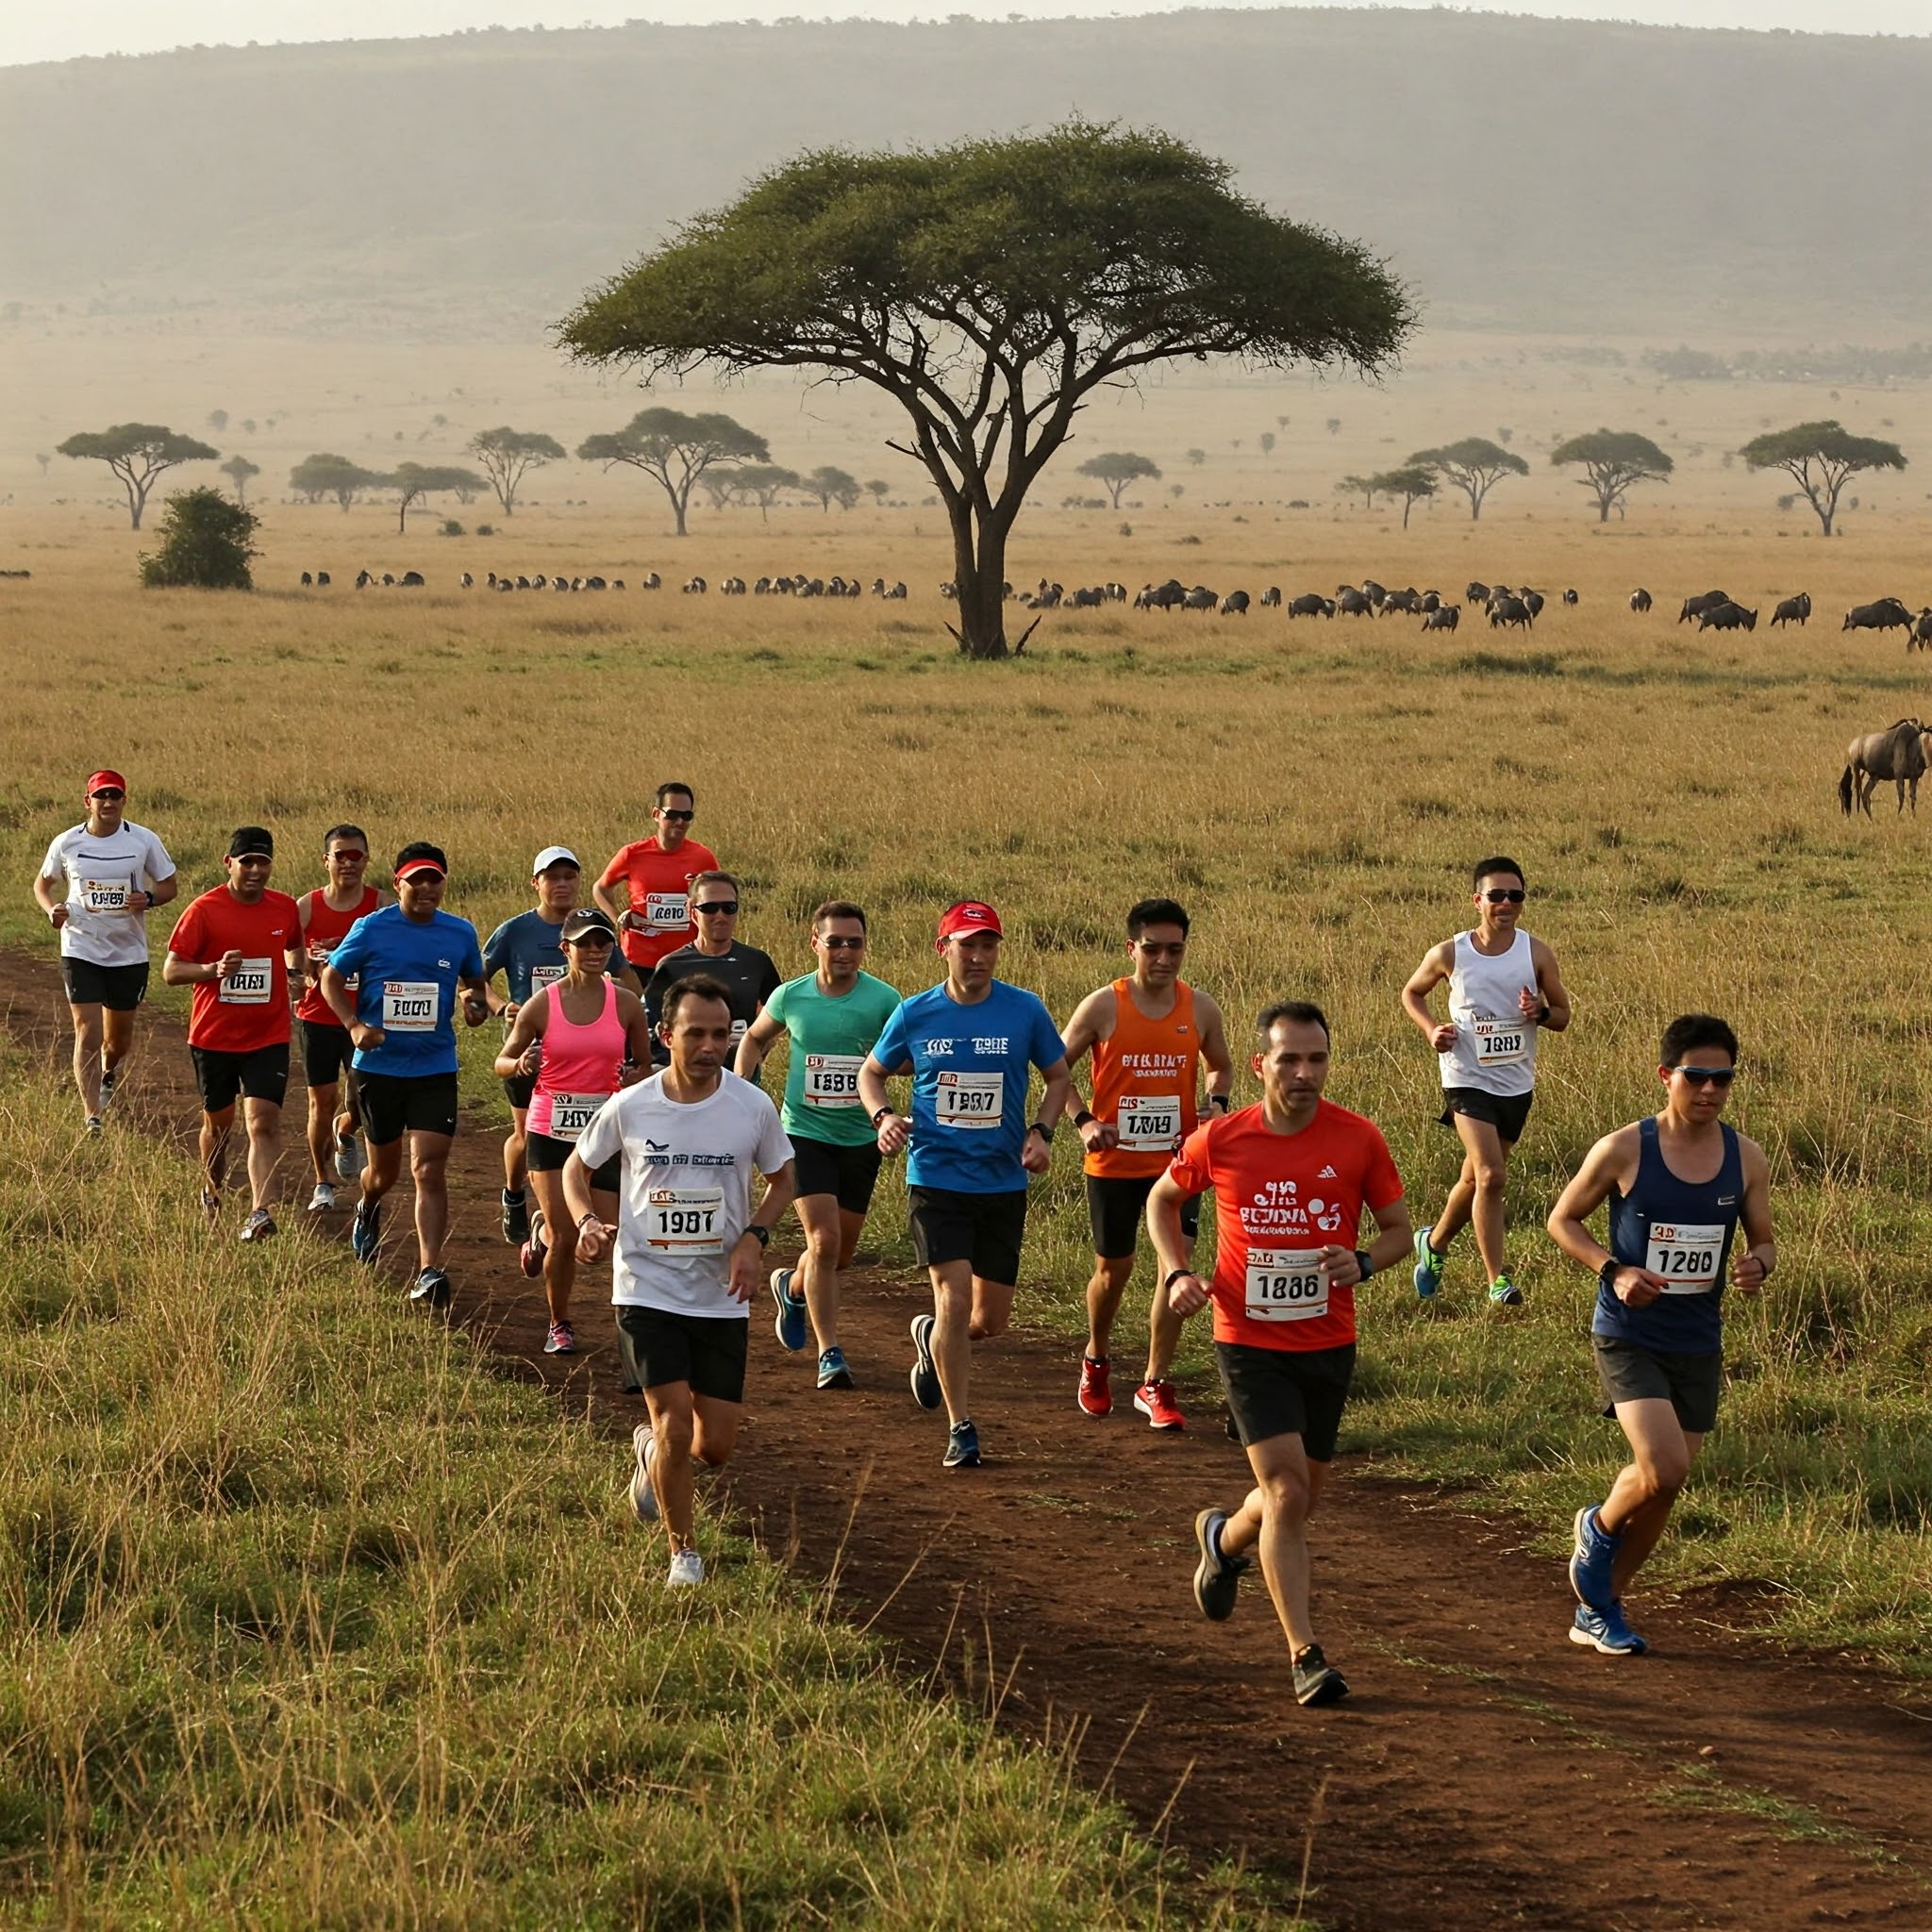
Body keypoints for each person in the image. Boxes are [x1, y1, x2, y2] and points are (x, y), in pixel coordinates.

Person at [1150, 1001, 1410, 1708]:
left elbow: (1398, 1232)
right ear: (1260, 1065)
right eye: (1289, 1060)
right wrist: (1178, 1271)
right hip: (1247, 1341)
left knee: (1292, 1500)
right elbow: (1162, 1200)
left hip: (1328, 1342)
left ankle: (1223, 1540)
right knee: (1288, 1494)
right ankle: (1305, 1653)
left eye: (1316, 1059)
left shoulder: (1358, 1138)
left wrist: (1365, 1260)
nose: (1304, 1073)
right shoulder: (1222, 1138)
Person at [1547, 1014, 1774, 1657]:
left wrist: (1760, 1264)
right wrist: (1613, 1270)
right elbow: (1562, 1220)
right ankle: (1597, 1527)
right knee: (1665, 1464)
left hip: (1698, 1338)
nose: (1709, 1091)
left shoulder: (1745, 1157)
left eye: (1722, 1079)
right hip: (1628, 1332)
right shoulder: (1625, 1149)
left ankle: (1601, 1606)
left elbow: (1764, 1239)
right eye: (1696, 1077)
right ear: (1665, 1076)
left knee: (1665, 1485)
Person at [569, 974, 795, 1587]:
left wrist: (755, 1238)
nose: (709, 1046)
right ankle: (683, 1555)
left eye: (721, 1034)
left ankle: (651, 1458)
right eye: (695, 1033)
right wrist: (588, 1219)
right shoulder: (632, 1104)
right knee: (671, 1419)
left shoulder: (751, 1106)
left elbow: (783, 1179)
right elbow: (577, 1167)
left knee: (711, 1446)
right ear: (666, 1035)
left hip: (720, 1296)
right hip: (646, 1287)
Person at [858, 901, 1071, 1470]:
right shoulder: (914, 1013)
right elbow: (871, 1072)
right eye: (966, 945)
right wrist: (883, 1118)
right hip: (936, 1176)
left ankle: (934, 1342)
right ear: (942, 948)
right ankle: (962, 1427)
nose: (978, 957)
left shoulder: (1024, 1011)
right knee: (952, 1296)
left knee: (988, 1321)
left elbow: (1057, 1076)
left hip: (1002, 1181)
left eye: (988, 945)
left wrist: (1042, 1132)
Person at [1058, 898, 1234, 1428]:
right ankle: (1096, 1357)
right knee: (1114, 1271)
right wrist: (1085, 1122)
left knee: (1175, 1273)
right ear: (1132, 948)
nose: (1164, 960)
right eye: (1152, 949)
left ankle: (1154, 1383)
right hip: (1114, 1165)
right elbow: (1055, 1072)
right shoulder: (1102, 1006)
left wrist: (1216, 1107)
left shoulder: (1199, 1008)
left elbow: (1220, 1068)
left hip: (1179, 1165)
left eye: (1174, 950)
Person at [734, 900, 900, 1390]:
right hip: (804, 1134)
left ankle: (791, 1285)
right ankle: (830, 1352)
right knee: (823, 1242)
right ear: (815, 943)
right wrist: (745, 1086)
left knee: (838, 1255)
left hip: (862, 1136)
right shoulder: (792, 995)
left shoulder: (884, 1000)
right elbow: (754, 1039)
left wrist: (885, 1069)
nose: (845, 951)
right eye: (835, 941)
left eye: (855, 942)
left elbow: (906, 1056)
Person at [320, 842, 490, 1308]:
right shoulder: (372, 928)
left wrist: (473, 1005)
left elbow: (474, 982)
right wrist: (354, 1026)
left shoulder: (459, 932)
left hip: (436, 1066)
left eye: (435, 879)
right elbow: (330, 980)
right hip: (379, 1069)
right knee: (385, 1174)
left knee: (429, 1170)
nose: (427, 888)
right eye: (417, 880)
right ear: (399, 884)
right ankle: (367, 1205)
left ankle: (429, 1269)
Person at [1401, 856, 1571, 1307]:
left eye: (1515, 896)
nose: (1506, 903)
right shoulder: (1450, 953)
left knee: (1475, 1180)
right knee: (1493, 1175)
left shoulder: (1536, 953)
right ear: (1477, 901)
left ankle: (1433, 1244)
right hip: (1465, 1078)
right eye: (1496, 895)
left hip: (1515, 1083)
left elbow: (1564, 1016)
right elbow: (1411, 992)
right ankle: (1498, 1280)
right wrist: (1431, 1030)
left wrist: (1542, 1012)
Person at [494, 907, 653, 1355]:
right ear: (566, 949)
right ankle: (559, 1322)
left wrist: (633, 1078)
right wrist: (520, 1063)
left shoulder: (624, 1002)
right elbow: (502, 1061)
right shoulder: (542, 1004)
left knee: (608, 1235)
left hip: (606, 1131)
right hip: (550, 1128)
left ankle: (541, 1231)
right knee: (567, 1238)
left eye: (603, 942)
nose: (595, 950)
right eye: (585, 943)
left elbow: (644, 1064)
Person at [482, 846, 641, 1250]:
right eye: (553, 877)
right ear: (537, 883)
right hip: (533, 1060)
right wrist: (503, 1008)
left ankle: (554, 1220)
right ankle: (518, 1197)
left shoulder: (595, 932)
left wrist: (623, 1009)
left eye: (570, 876)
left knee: (590, 1145)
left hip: (591, 1063)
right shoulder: (516, 930)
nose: (563, 884)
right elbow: (475, 977)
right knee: (525, 1134)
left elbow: (627, 978)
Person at [160, 827, 302, 1240]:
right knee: (218, 1129)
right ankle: (212, 1188)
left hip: (269, 1036)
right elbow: (171, 971)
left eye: (263, 862)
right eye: (247, 862)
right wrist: (212, 970)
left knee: (262, 1123)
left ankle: (260, 1212)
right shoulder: (204, 910)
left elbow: (294, 943)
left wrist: (294, 974)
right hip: (213, 1038)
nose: (256, 870)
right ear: (229, 863)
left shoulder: (284, 908)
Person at [34, 769, 178, 1133]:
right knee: (87, 1030)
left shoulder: (143, 840)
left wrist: (146, 899)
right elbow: (43, 883)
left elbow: (169, 887)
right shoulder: (67, 842)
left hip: (128, 953)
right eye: (101, 796)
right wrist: (53, 910)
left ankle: (108, 1072)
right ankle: (92, 1113)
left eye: (115, 795)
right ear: (88, 801)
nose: (108, 802)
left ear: (124, 800)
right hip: (80, 946)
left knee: (117, 1042)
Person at [294, 824, 383, 1213]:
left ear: (366, 860)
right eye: (340, 855)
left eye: (356, 856)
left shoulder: (380, 905)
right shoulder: (308, 906)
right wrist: (303, 968)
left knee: (367, 1099)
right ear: (325, 860)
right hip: (317, 1016)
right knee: (321, 1101)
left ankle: (347, 1131)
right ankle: (323, 1182)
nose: (348, 863)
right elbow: (290, 955)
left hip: (367, 1019)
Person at [592, 782, 720, 988]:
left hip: (686, 958)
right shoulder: (632, 854)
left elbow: (720, 897)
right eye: (672, 815)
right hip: (639, 959)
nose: (679, 822)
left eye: (686, 816)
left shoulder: (702, 858)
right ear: (656, 814)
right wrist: (618, 918)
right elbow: (600, 888)